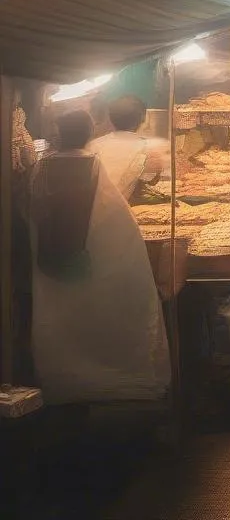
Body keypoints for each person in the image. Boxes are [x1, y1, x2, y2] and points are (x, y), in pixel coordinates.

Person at [30, 110, 170, 404]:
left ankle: (64, 383)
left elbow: (29, 212)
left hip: (49, 263)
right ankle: (109, 381)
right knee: (104, 318)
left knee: (63, 322)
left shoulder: (40, 169)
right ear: (90, 131)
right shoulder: (94, 166)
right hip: (96, 263)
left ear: (58, 132)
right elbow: (118, 226)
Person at [87, 94, 155, 202]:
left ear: (110, 118)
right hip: (123, 211)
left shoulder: (94, 145)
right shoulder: (149, 148)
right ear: (143, 118)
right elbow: (152, 180)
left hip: (93, 211)